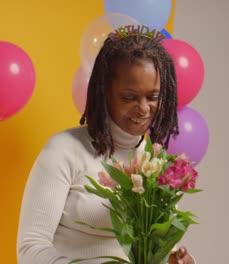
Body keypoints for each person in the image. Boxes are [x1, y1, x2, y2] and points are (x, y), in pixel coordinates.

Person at [16, 25, 196, 264]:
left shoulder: (156, 164)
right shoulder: (64, 150)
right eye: (129, 97)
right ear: (104, 93)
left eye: (153, 97)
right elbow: (30, 248)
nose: (143, 108)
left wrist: (170, 260)